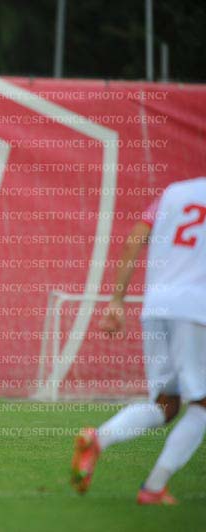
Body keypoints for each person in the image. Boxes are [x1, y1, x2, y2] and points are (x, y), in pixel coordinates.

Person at [71, 177, 206, 504]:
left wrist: (117, 301)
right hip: (196, 309)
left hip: (156, 306)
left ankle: (99, 438)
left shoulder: (173, 193)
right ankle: (154, 487)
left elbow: (133, 240)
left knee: (165, 404)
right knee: (201, 405)